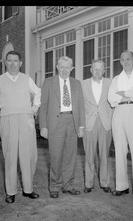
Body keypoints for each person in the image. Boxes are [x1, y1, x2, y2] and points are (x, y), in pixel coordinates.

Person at [0, 50, 41, 203]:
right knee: (10, 156)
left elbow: (38, 93)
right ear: (5, 63)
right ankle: (10, 192)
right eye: (9, 61)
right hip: (7, 119)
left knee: (29, 155)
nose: (12, 64)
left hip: (26, 119)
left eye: (15, 61)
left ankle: (28, 189)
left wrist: (35, 108)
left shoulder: (26, 79)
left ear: (21, 63)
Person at [39, 56, 85, 199]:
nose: (65, 70)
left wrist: (81, 125)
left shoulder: (77, 84)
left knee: (71, 156)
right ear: (57, 67)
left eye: (68, 67)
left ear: (72, 68)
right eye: (62, 67)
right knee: (56, 156)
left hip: (72, 121)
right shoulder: (48, 83)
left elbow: (81, 106)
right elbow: (43, 106)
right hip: (55, 123)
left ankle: (68, 185)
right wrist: (43, 126)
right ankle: (55, 186)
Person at [108, 50, 133, 203]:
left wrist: (121, 94)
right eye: (123, 59)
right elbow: (111, 98)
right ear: (120, 61)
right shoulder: (116, 79)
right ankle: (121, 186)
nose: (126, 62)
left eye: (128, 59)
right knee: (120, 150)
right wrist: (127, 94)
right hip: (119, 113)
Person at [80, 60, 113, 193]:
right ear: (91, 69)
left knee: (104, 155)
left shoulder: (110, 83)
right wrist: (81, 125)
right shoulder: (83, 84)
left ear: (104, 71)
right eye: (95, 69)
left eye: (100, 69)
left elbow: (114, 103)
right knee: (89, 154)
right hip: (89, 123)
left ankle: (104, 182)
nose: (98, 71)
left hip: (105, 123)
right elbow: (80, 106)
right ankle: (88, 183)